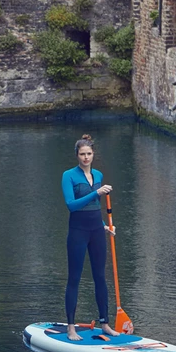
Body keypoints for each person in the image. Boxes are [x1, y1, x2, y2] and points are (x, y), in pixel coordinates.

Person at [61, 134, 119, 341]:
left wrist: (105, 226)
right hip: (77, 231)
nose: (86, 157)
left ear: (93, 155)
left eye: (89, 154)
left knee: (100, 278)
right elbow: (72, 205)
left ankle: (105, 323)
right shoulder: (68, 176)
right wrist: (96, 194)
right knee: (74, 279)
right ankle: (71, 328)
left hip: (96, 231)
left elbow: (95, 209)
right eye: (82, 154)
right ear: (77, 155)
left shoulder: (99, 175)